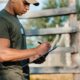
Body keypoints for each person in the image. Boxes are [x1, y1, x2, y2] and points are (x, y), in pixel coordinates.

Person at [0, 0, 51, 80]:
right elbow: (2, 54)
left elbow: (15, 54)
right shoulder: (2, 19)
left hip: (21, 75)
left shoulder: (14, 19)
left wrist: (32, 58)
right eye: (25, 3)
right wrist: (36, 50)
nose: (28, 8)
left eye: (29, 5)